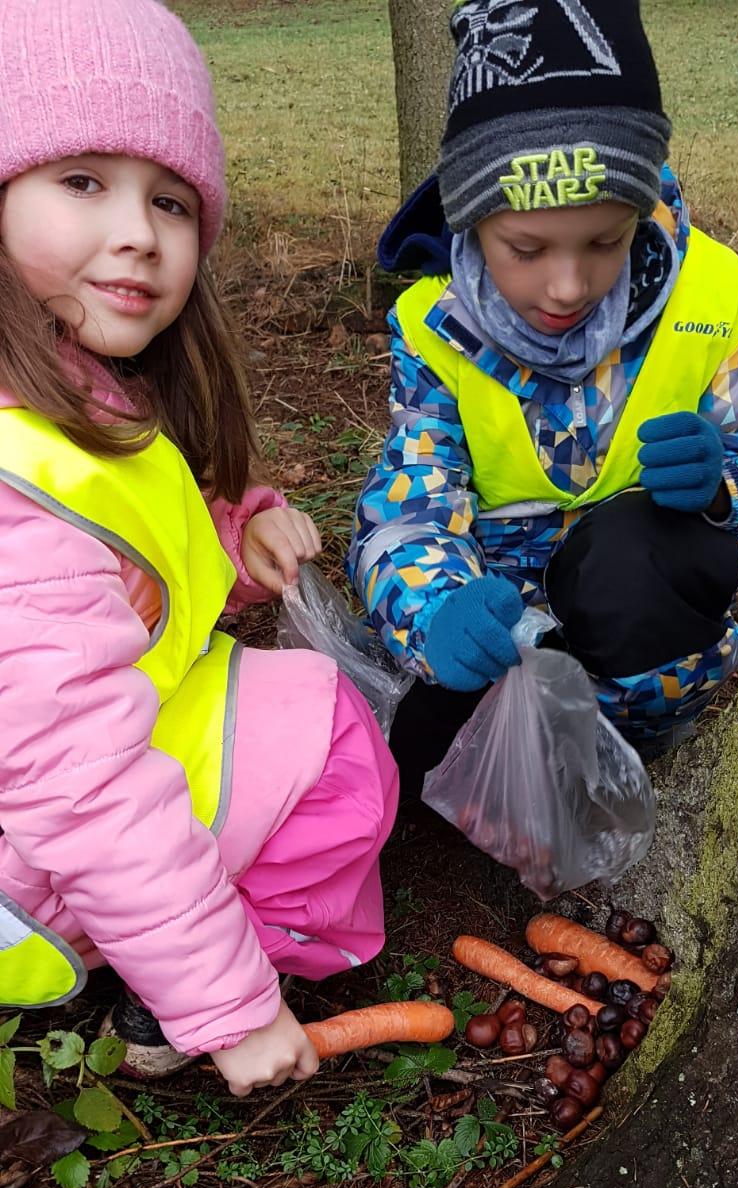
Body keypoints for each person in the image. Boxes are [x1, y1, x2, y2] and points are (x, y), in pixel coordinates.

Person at [0, 0, 398, 1096]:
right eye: (83, 180)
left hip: (36, 828)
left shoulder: (61, 385)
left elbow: (125, 536)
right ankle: (181, 982)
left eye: (170, 200)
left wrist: (237, 521)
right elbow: (77, 783)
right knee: (333, 733)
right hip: (36, 861)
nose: (138, 231)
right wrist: (234, 1005)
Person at [349, 0, 738, 795]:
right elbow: (410, 503)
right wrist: (438, 612)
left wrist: (726, 485)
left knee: (628, 569)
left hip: (640, 609)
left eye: (605, 242)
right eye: (525, 249)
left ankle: (632, 744)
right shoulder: (435, 326)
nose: (567, 286)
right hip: (509, 616)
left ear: (640, 209)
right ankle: (534, 753)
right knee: (415, 757)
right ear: (471, 219)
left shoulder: (713, 290)